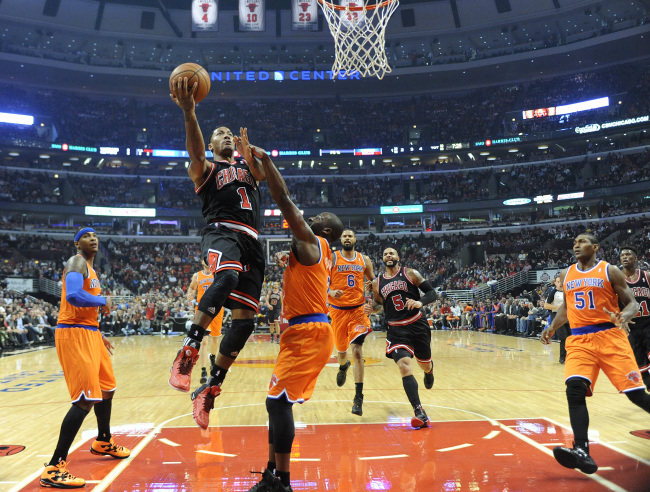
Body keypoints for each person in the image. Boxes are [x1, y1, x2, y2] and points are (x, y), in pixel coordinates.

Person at [168, 76, 267, 431]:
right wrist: (190, 113)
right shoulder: (206, 169)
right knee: (226, 275)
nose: (227, 135)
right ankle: (189, 349)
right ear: (211, 145)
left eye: (230, 133)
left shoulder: (247, 169)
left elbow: (264, 174)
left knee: (244, 323)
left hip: (253, 242)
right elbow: (194, 153)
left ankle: (210, 388)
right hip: (221, 232)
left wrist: (252, 152)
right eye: (220, 133)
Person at [247, 145, 343, 492]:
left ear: (325, 232)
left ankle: (283, 483)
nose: (310, 218)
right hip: (302, 331)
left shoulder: (314, 242)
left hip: (310, 330)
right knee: (275, 403)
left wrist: (267, 163)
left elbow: (285, 199)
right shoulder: (311, 249)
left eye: (316, 219)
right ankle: (271, 474)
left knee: (277, 402)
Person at [541, 233, 650, 475]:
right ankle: (581, 451)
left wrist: (625, 315)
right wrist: (552, 327)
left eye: (582, 242)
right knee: (575, 390)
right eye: (574, 243)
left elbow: (632, 303)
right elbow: (567, 307)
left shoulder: (609, 270)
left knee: (636, 395)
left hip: (610, 336)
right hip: (580, 340)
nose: (576, 245)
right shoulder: (566, 274)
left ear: (596, 247)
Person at [40, 227, 130, 489]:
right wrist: (103, 301)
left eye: (96, 236)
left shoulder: (92, 270)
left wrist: (98, 334)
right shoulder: (76, 262)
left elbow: (85, 309)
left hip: (90, 333)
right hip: (73, 333)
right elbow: (73, 296)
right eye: (87, 236)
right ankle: (54, 466)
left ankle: (103, 440)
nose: (93, 239)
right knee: (84, 399)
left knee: (106, 389)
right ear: (77, 243)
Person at [371, 247, 438, 429]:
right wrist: (372, 308)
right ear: (382, 259)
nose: (388, 255)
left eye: (391, 253)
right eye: (385, 254)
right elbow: (378, 304)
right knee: (404, 366)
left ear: (398, 257)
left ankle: (429, 371)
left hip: (417, 324)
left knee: (424, 363)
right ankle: (419, 412)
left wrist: (420, 302)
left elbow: (432, 293)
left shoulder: (410, 273)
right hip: (396, 330)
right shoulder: (377, 283)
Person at [328, 230, 375, 416]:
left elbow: (374, 282)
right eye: (345, 236)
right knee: (341, 352)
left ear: (355, 240)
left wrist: (374, 303)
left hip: (358, 310)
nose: (347, 238)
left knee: (356, 351)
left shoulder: (365, 260)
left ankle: (358, 397)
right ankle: (342, 366)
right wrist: (330, 293)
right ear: (341, 240)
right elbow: (321, 280)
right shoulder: (333, 258)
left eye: (350, 236)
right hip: (338, 312)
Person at [186, 260, 225, 384]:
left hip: (217, 309)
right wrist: (190, 295)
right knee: (203, 341)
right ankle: (203, 370)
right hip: (202, 309)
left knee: (215, 340)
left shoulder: (217, 274)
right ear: (203, 262)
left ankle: (212, 358)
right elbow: (191, 288)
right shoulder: (197, 275)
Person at [619, 245, 650, 388]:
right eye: (622, 255)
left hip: (648, 323)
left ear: (636, 258)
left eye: (628, 254)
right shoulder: (617, 280)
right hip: (631, 327)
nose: (624, 257)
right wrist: (621, 318)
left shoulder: (646, 276)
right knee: (640, 362)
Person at [545, 274, 570, 362]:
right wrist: (556, 307)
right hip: (557, 317)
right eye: (558, 282)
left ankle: (569, 357)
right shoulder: (553, 292)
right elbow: (546, 305)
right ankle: (562, 358)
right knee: (563, 337)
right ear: (555, 283)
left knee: (570, 337)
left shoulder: (567, 291)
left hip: (567, 317)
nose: (560, 283)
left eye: (561, 281)